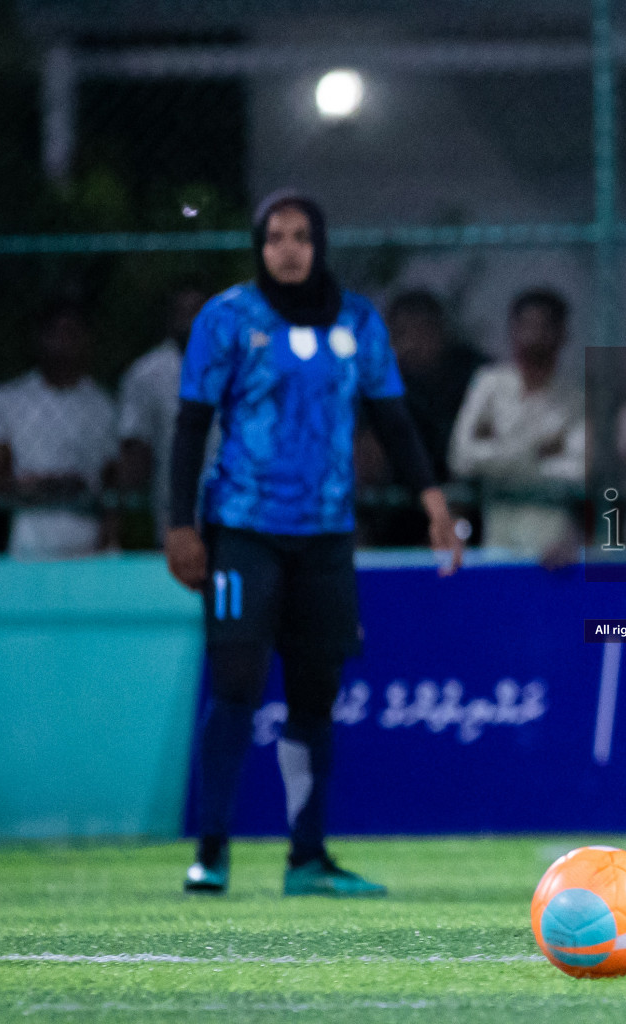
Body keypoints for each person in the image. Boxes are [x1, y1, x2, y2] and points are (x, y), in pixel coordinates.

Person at [167, 190, 463, 897]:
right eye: (275, 237)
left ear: (320, 242)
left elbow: (391, 418)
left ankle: (307, 858)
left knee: (315, 695)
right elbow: (188, 425)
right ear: (259, 246)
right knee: (236, 684)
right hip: (243, 528)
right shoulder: (228, 318)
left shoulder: (359, 320)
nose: (289, 248)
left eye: (302, 235)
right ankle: (211, 851)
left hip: (328, 534)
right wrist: (179, 524)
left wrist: (434, 505)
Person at [0, 302, 118, 558]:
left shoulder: (104, 407)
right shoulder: (8, 398)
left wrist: (108, 534)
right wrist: (39, 486)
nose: (63, 342)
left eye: (72, 333)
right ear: (39, 338)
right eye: (56, 332)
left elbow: (112, 482)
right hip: (27, 527)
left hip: (84, 526)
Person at [447, 289, 583, 562]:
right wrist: (538, 449)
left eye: (544, 327)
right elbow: (461, 458)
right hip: (496, 527)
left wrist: (497, 451)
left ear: (562, 334)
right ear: (512, 330)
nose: (534, 336)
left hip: (552, 536)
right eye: (526, 325)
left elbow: (577, 471)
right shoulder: (489, 384)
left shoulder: (576, 398)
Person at [355, 290, 484, 547]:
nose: (413, 342)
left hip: (462, 507)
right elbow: (366, 461)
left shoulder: (471, 376)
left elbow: (472, 457)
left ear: (441, 332)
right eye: (402, 333)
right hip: (394, 510)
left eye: (423, 331)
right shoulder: (378, 385)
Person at [118, 282, 211, 545]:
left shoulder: (239, 363)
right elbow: (135, 449)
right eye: (182, 311)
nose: (190, 319)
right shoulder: (146, 373)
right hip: (174, 512)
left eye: (198, 310)